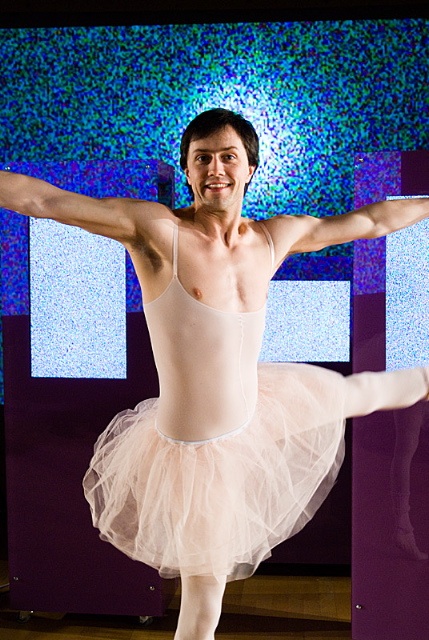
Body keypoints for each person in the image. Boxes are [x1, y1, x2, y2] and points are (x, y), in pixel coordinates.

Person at [1, 107, 429, 640]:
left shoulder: (272, 237)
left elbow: (371, 222)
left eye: (228, 157)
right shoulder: (156, 231)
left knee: (357, 391)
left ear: (250, 168)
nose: (215, 170)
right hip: (197, 451)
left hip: (258, 410)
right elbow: (42, 201)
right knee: (204, 605)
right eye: (202, 159)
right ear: (187, 169)